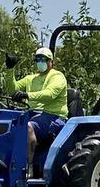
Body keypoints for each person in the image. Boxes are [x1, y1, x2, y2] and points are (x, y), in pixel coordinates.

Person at [5, 47, 68, 177]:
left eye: (43, 59)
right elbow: (12, 90)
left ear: (51, 61)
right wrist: (10, 70)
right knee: (9, 124)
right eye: (38, 59)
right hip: (34, 115)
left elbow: (50, 94)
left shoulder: (57, 76)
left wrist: (27, 95)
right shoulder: (31, 78)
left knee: (27, 127)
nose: (40, 62)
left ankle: (28, 168)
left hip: (54, 117)